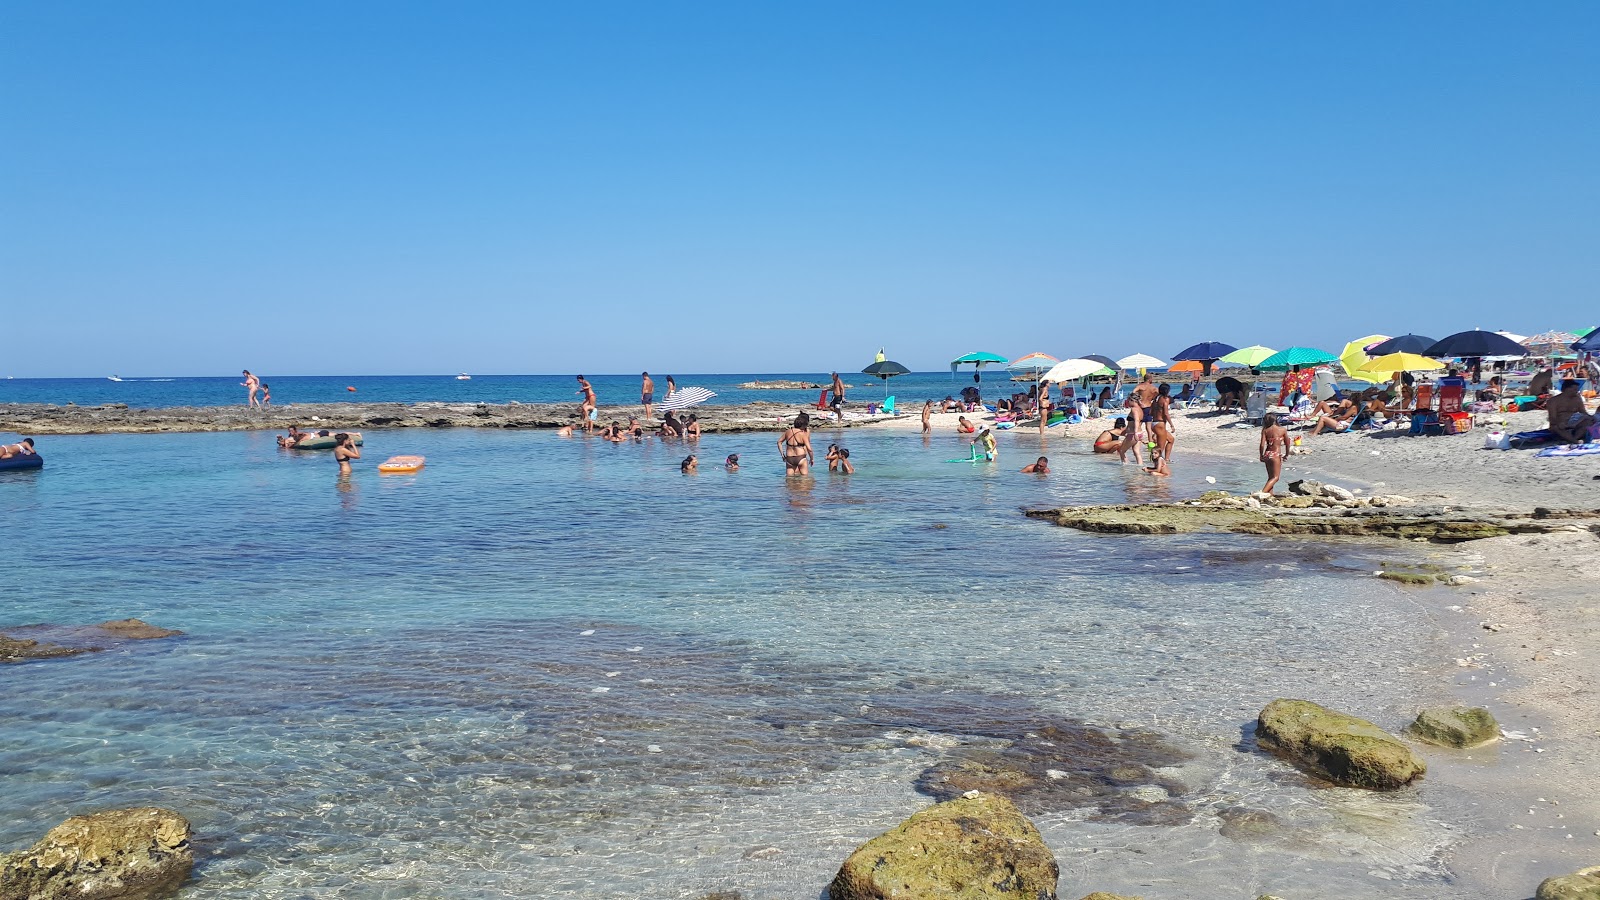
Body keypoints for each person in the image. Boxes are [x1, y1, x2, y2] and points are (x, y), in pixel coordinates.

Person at [1259, 413, 1290, 494]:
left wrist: (1261, 455)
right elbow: (1287, 443)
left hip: (1267, 453)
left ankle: (1270, 495)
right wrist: (1287, 454)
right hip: (1275, 454)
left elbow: (1262, 444)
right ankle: (1262, 493)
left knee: (1270, 477)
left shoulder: (1265, 430)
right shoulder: (1282, 430)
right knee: (1276, 478)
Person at [1150, 383, 1175, 460]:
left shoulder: (1156, 399)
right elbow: (1166, 413)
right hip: (1160, 424)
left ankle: (1167, 459)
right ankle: (1156, 464)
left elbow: (1150, 412)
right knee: (1160, 448)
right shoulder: (1165, 399)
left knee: (1171, 439)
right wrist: (1171, 425)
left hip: (1154, 423)